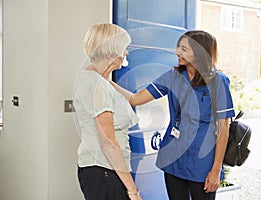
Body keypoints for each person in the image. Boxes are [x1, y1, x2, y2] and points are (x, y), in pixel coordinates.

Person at [111, 30, 235, 200]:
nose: (177, 52)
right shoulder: (172, 77)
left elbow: (223, 128)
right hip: (173, 158)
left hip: (202, 162)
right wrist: (106, 80)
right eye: (178, 47)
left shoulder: (218, 81)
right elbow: (135, 99)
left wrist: (216, 169)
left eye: (184, 49)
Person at [73, 23, 142, 200]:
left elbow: (132, 98)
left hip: (103, 169)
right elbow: (108, 143)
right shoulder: (97, 85)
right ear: (110, 52)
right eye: (124, 48)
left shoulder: (94, 78)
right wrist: (132, 191)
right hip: (106, 171)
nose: (126, 53)